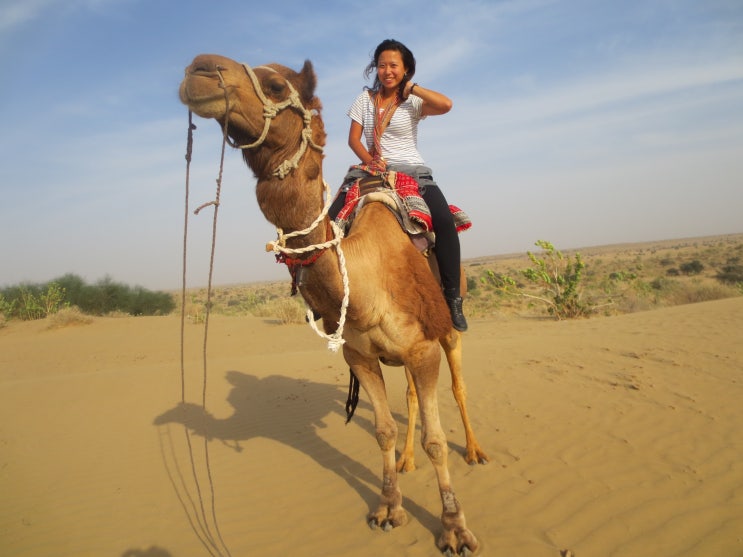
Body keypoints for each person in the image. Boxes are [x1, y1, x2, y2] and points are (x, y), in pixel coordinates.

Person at [329, 38, 468, 331]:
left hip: (413, 171)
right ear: (375, 68)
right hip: (372, 170)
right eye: (382, 65)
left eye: (394, 65)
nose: (387, 71)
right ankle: (324, 297)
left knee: (443, 222)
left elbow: (447, 104)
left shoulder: (413, 101)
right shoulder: (364, 100)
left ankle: (453, 298)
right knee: (331, 223)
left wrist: (412, 88)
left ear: (405, 69)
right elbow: (353, 139)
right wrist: (370, 160)